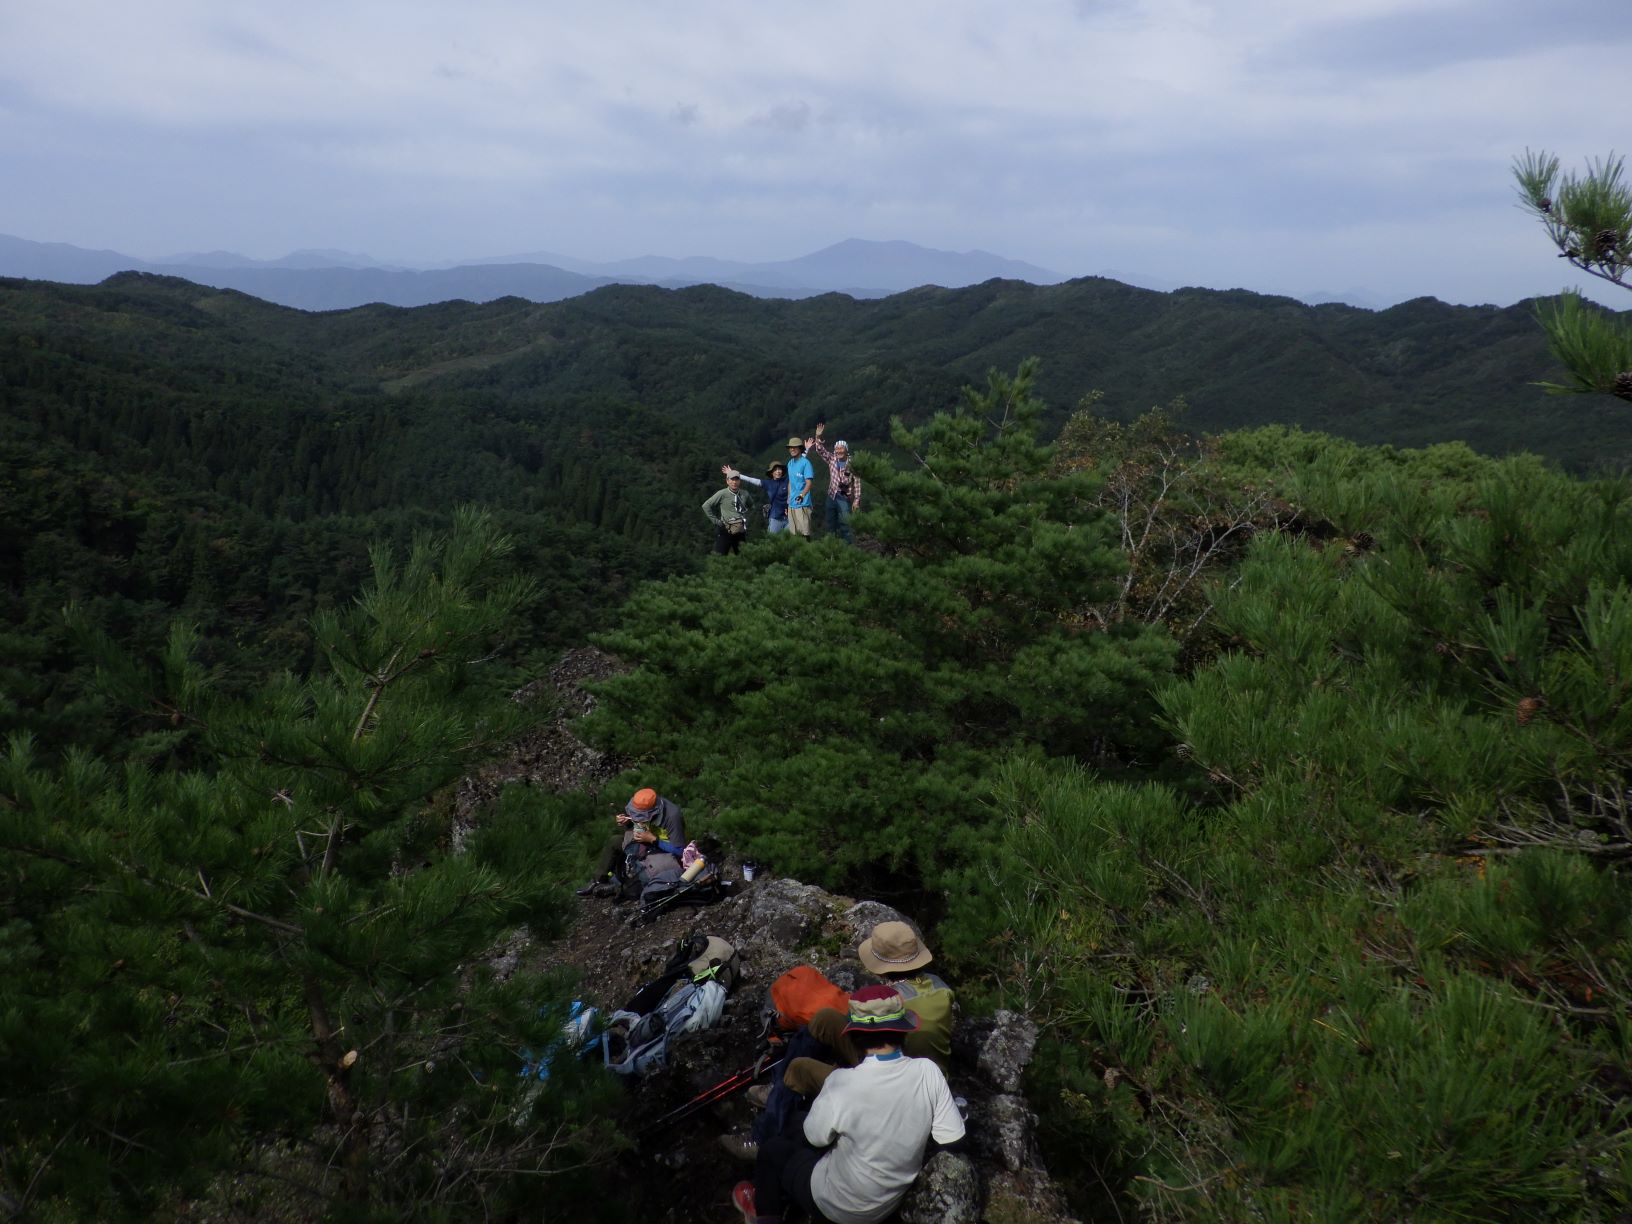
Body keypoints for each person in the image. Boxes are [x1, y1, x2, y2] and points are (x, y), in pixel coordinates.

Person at [732, 986, 965, 1224]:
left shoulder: (841, 1082)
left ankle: (765, 1211)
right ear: (903, 1031)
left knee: (774, 1150)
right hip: (888, 1202)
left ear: (854, 1036)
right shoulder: (928, 1071)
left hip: (836, 1206)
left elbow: (815, 1137)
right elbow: (952, 1138)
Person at [722, 922, 954, 1160]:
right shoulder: (940, 989)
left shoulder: (888, 1005)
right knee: (825, 1019)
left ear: (882, 967)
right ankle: (779, 1089)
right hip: (912, 1070)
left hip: (891, 1088)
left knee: (800, 1068)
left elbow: (862, 1033)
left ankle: (762, 1137)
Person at [576, 788, 686, 897]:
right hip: (647, 841)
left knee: (642, 878)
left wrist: (654, 840)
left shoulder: (672, 816)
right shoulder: (644, 804)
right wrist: (628, 821)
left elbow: (680, 851)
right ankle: (598, 880)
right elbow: (639, 821)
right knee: (615, 841)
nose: (637, 818)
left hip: (663, 852)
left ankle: (617, 888)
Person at [806, 423, 860, 545]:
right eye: (837, 449)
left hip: (844, 497)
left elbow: (857, 482)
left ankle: (847, 548)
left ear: (846, 450)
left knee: (845, 525)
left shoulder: (852, 463)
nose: (839, 451)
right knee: (831, 523)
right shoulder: (832, 459)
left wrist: (857, 499)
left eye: (841, 449)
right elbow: (820, 450)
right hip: (831, 495)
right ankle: (832, 547)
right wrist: (818, 436)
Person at [727, 461, 790, 535]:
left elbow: (795, 467)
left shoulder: (786, 480)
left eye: (779, 469)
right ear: (771, 473)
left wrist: (805, 450)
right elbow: (751, 479)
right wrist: (735, 474)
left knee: (788, 542)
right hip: (775, 518)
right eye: (775, 470)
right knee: (773, 541)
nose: (778, 471)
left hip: (789, 518)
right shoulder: (768, 483)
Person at [703, 469, 754, 555]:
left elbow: (752, 506)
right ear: (727, 481)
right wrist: (716, 521)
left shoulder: (745, 494)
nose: (734, 482)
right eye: (732, 479)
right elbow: (706, 505)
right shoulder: (722, 494)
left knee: (744, 558)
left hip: (740, 531)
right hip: (725, 529)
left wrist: (746, 518)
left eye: (736, 479)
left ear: (739, 481)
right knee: (720, 558)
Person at [784, 436, 816, 538]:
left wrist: (802, 495)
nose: (792, 449)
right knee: (794, 534)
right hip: (792, 504)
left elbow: (809, 483)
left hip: (803, 504)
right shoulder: (790, 463)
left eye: (795, 447)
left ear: (800, 448)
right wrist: (789, 497)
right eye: (790, 447)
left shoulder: (805, 463)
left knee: (805, 533)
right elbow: (790, 482)